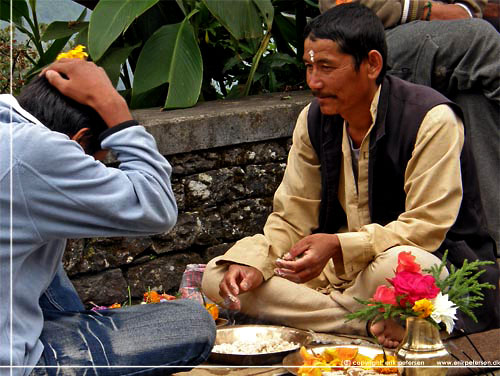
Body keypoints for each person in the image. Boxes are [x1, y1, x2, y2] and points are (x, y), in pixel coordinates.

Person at [202, 3, 499, 348]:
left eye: (326, 66)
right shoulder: (312, 120)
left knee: (405, 265)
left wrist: (339, 244)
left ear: (372, 64)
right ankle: (366, 322)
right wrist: (257, 263)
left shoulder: (431, 119)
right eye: (309, 67)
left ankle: (331, 317)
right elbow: (291, 215)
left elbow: (426, 227)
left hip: (421, 265)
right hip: (342, 277)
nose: (313, 81)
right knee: (218, 276)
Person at [0, 58, 215, 376]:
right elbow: (155, 208)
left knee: (39, 248)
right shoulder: (35, 153)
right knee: (192, 323)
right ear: (78, 141)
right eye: (94, 162)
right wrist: (113, 107)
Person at [318, 0, 500, 252]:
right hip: (369, 35)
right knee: (483, 39)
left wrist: (465, 9)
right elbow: (341, 6)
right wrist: (425, 9)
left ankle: (493, 252)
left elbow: (468, 7)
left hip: (450, 27)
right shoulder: (313, 120)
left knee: (475, 98)